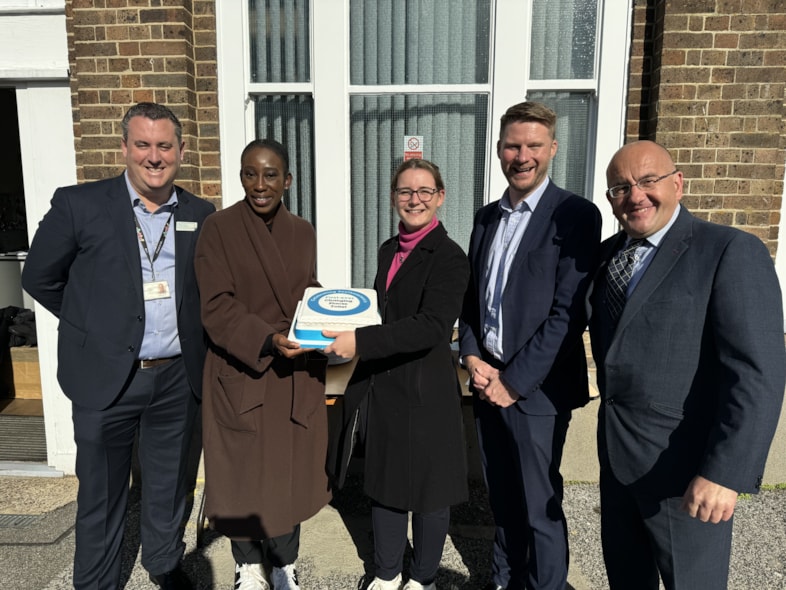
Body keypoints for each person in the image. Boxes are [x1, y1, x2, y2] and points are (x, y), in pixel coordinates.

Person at [21, 102, 215, 589]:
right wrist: (96, 327)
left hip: (175, 376)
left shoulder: (199, 214)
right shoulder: (79, 204)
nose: (154, 156)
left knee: (170, 486)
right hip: (105, 376)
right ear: (124, 148)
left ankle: (164, 564)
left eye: (164, 145)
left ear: (181, 151)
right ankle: (96, 582)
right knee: (102, 494)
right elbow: (40, 277)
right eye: (144, 144)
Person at [587, 140, 786, 589]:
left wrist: (724, 473)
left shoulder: (729, 251)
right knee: (626, 579)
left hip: (686, 473)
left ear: (678, 183)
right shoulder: (607, 257)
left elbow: (757, 372)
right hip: (618, 461)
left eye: (648, 181)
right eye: (620, 188)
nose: (635, 195)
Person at [458, 101, 602, 590]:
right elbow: (473, 298)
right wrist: (472, 355)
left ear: (553, 149)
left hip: (534, 391)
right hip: (486, 378)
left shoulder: (575, 215)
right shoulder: (485, 218)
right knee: (502, 495)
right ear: (499, 151)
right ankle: (506, 579)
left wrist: (513, 383)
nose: (523, 156)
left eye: (533, 146)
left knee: (538, 501)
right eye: (513, 146)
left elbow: (568, 314)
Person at [325, 159, 470, 590]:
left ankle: (422, 578)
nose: (415, 199)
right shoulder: (389, 249)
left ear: (440, 197)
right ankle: (387, 573)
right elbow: (381, 312)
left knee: (429, 492)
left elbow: (433, 327)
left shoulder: (449, 257)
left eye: (425, 191)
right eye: (405, 192)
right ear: (393, 199)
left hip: (426, 392)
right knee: (384, 483)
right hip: (384, 385)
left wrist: (360, 342)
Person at [194, 138, 330, 590]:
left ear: (287, 180)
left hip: (292, 370)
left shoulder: (303, 231)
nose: (260, 184)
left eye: (270, 174)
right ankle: (248, 563)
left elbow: (306, 291)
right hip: (244, 364)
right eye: (250, 173)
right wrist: (267, 338)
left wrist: (327, 316)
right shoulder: (218, 228)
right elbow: (215, 306)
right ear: (240, 177)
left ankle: (284, 561)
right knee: (242, 471)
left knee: (290, 471)